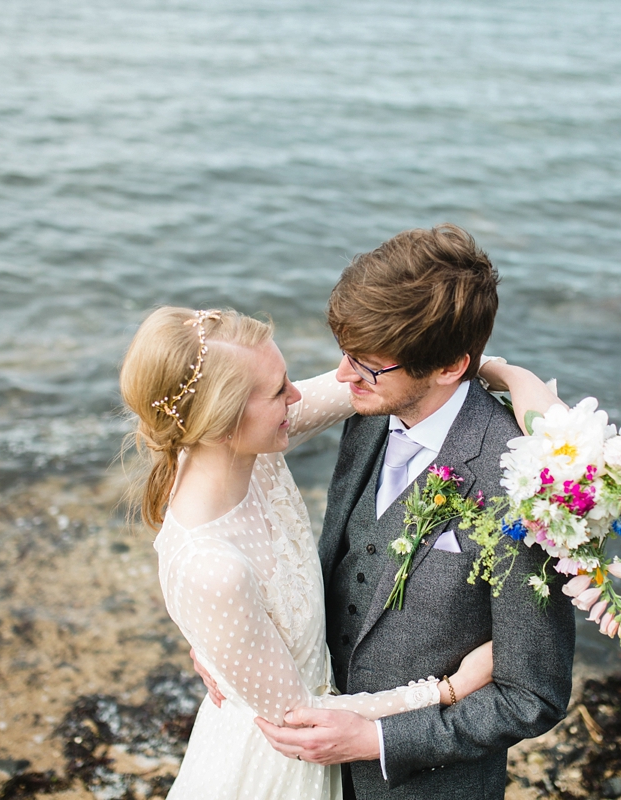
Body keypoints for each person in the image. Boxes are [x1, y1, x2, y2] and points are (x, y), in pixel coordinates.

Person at [120, 306, 523, 800]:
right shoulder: (212, 568)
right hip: (279, 773)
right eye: (278, 391)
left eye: (287, 378)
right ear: (222, 422)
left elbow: (401, 378)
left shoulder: (243, 446)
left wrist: (514, 379)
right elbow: (302, 723)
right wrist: (446, 690)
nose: (297, 395)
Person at [253, 224, 576, 799]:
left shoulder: (524, 487)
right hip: (310, 775)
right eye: (345, 356)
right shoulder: (370, 410)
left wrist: (376, 740)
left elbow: (533, 694)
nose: (345, 377)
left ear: (450, 366)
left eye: (369, 365)